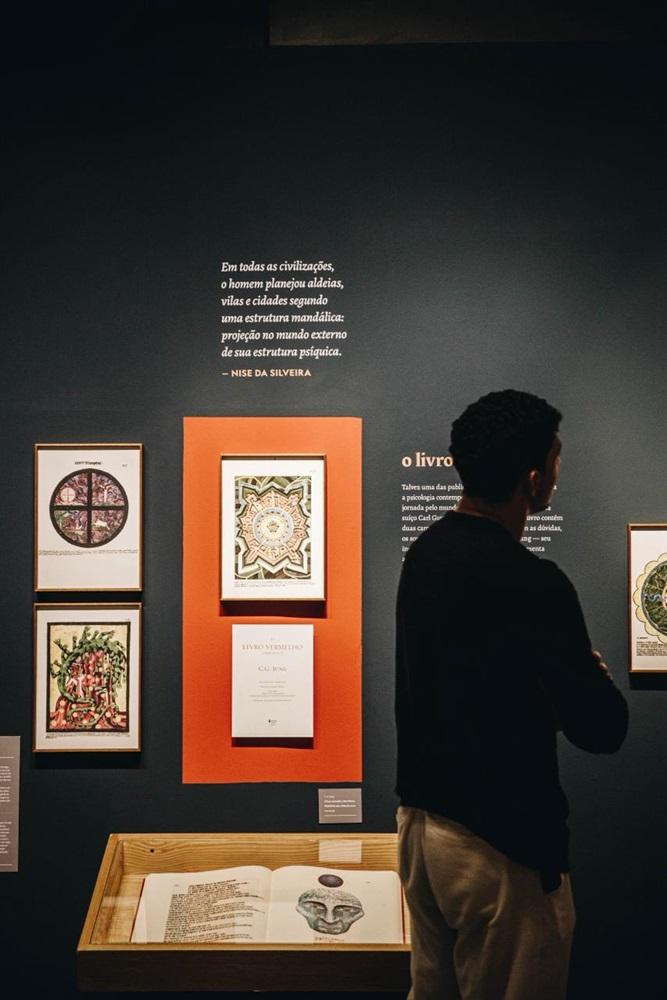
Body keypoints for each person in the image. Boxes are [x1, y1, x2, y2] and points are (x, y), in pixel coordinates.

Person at [395, 389, 628, 1000]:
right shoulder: (535, 584)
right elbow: (604, 728)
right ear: (532, 478)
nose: (557, 472)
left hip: (424, 834)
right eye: (555, 459)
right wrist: (586, 678)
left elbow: (471, 692)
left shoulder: (423, 557)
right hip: (502, 849)